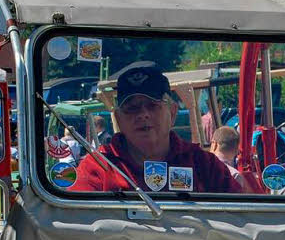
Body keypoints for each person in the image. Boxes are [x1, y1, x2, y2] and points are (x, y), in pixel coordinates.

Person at [73, 64, 248, 193]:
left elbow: (240, 218)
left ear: (172, 113)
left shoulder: (204, 164)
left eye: (152, 105)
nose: (143, 115)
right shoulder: (98, 166)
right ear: (119, 119)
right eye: (132, 108)